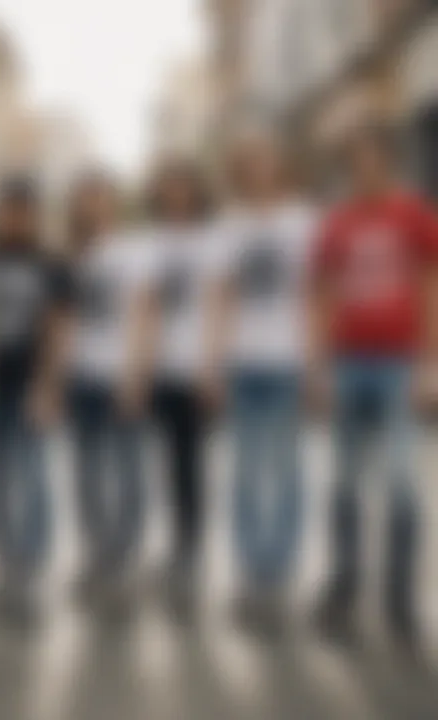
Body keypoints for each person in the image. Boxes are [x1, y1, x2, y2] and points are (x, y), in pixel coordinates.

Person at [312, 122, 438, 652]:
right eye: (354, 160)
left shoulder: (414, 216)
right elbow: (326, 295)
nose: (363, 167)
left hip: (398, 365)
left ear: (389, 159)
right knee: (343, 481)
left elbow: (430, 287)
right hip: (347, 362)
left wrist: (431, 363)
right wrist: (319, 366)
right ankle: (343, 589)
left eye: (372, 156)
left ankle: (400, 604)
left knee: (402, 486)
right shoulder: (337, 223)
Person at [215, 128, 319, 633]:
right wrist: (214, 363)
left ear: (279, 167)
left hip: (287, 361)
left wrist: (317, 366)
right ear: (240, 171)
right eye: (248, 162)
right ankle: (251, 572)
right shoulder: (229, 226)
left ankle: (278, 575)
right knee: (244, 472)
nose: (258, 170)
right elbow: (223, 298)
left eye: (265, 160)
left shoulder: (303, 222)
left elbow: (315, 296)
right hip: (243, 364)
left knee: (287, 471)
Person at [0, 177, 70, 617]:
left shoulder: (51, 263)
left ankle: (30, 570)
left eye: (23, 209)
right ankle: (3, 566)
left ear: (35, 216)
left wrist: (49, 385)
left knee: (33, 476)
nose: (15, 217)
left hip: (31, 382)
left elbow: (58, 329)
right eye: (7, 209)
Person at [66, 171, 156, 606]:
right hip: (80, 377)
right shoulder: (70, 254)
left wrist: (136, 374)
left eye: (101, 198)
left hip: (121, 375)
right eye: (86, 199)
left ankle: (124, 558)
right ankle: (97, 555)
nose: (94, 207)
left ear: (114, 204)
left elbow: (143, 314)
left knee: (128, 471)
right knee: (87, 473)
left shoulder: (133, 252)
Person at [147, 159, 222, 615]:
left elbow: (218, 306)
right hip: (158, 370)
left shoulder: (212, 243)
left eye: (184, 188)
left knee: (192, 466)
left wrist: (212, 367)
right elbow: (143, 309)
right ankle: (175, 549)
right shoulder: (149, 243)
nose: (177, 196)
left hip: (196, 369)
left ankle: (190, 554)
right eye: (169, 189)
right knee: (167, 465)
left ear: (196, 193)